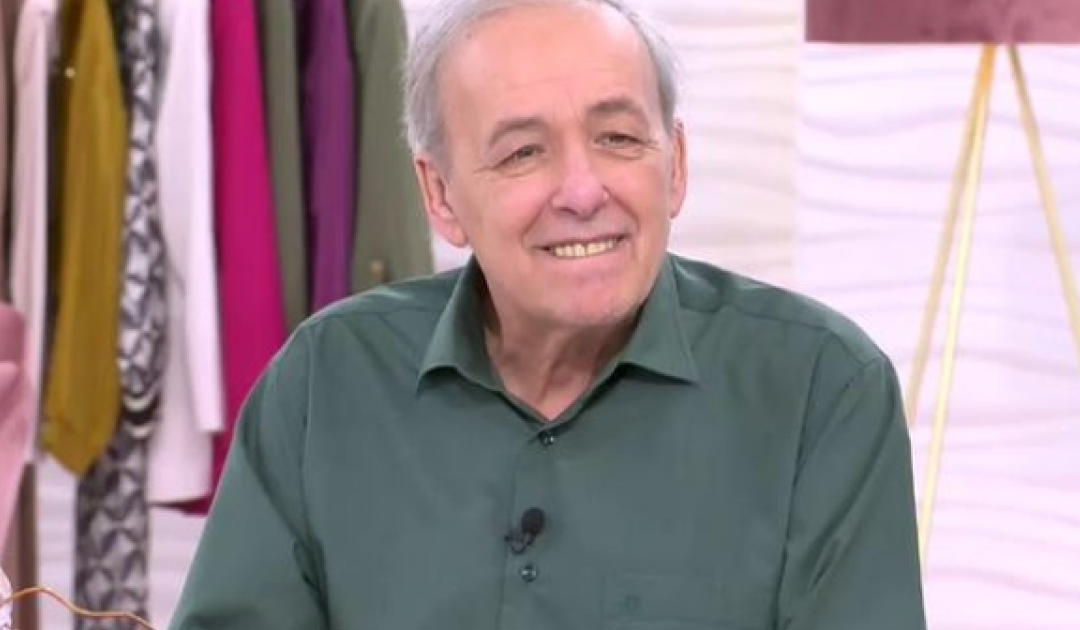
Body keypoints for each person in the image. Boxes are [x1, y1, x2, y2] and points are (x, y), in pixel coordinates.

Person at [167, 0, 927, 628]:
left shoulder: (821, 389)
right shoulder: (326, 381)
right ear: (440, 195)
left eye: (618, 138)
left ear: (675, 165)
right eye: (522, 153)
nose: (582, 190)